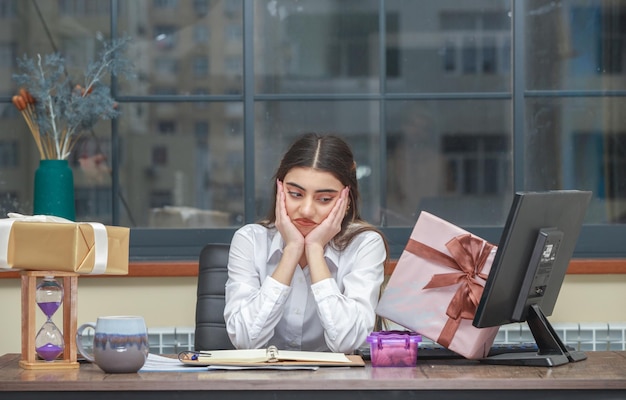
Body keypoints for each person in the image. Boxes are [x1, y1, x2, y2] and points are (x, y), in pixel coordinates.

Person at [224, 132, 388, 353]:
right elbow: (245, 340)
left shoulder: (365, 244)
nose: (307, 210)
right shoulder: (250, 241)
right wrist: (291, 250)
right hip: (262, 383)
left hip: (336, 384)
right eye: (295, 194)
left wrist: (314, 249)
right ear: (279, 191)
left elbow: (348, 343)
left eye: (324, 199)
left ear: (346, 201)